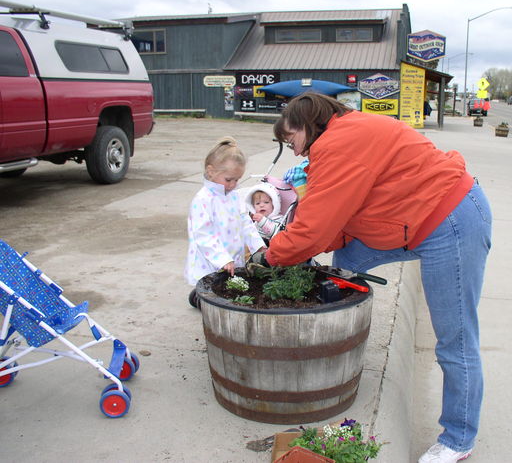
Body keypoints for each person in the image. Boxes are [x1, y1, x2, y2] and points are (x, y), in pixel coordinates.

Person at [251, 93, 492, 463]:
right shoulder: (341, 135)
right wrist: (295, 249)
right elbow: (336, 222)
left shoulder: (340, 143)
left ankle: (459, 439)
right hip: (411, 222)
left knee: (455, 339)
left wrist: (271, 256)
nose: (294, 152)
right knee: (346, 261)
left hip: (451, 222)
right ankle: (336, 340)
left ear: (306, 122)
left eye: (291, 139)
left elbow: (314, 229)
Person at [185, 136, 266, 308]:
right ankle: (201, 298)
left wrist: (257, 244)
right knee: (212, 283)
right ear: (211, 171)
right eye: (228, 179)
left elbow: (245, 221)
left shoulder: (234, 195)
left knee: (230, 285)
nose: (233, 184)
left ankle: (214, 300)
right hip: (211, 257)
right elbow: (203, 234)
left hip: (231, 253)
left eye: (237, 180)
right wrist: (221, 259)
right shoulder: (203, 199)